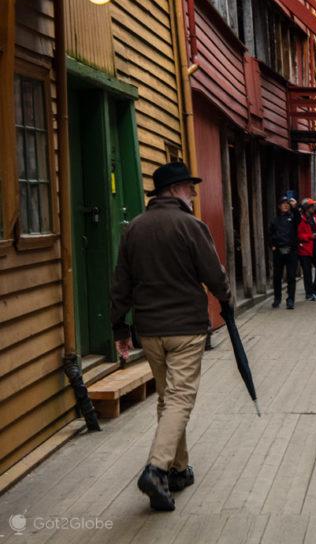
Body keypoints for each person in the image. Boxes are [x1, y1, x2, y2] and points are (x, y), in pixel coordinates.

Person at [110, 161, 232, 513]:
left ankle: (178, 470)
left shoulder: (134, 228)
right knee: (180, 399)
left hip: (149, 330)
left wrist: (121, 329)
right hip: (185, 328)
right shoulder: (190, 225)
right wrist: (226, 301)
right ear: (176, 190)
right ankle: (156, 467)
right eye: (189, 187)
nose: (193, 193)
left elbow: (121, 284)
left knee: (167, 398)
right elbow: (213, 272)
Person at [269, 196, 299, 310]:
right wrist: (272, 245)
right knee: (277, 277)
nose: (285, 205)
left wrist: (295, 207)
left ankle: (290, 299)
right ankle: (277, 298)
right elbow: (270, 234)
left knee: (291, 276)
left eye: (287, 204)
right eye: (283, 204)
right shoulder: (275, 220)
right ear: (279, 206)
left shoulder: (293, 218)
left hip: (291, 251)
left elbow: (298, 220)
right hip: (278, 251)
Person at [298, 200, 316, 300]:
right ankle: (309, 293)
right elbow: (299, 235)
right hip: (305, 248)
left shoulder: (315, 218)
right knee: (307, 272)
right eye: (311, 206)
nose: (313, 208)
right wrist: (310, 236)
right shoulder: (300, 219)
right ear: (306, 208)